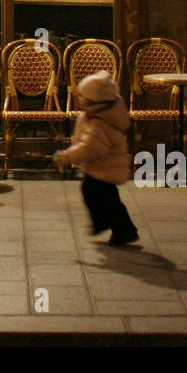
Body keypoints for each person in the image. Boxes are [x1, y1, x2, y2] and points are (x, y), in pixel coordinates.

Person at [54, 70, 139, 245]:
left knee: (100, 197)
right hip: (103, 167)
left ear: (94, 101)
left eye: (82, 96)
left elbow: (88, 149)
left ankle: (117, 228)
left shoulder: (100, 125)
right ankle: (116, 227)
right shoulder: (99, 114)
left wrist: (65, 156)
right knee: (108, 199)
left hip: (105, 168)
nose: (79, 99)